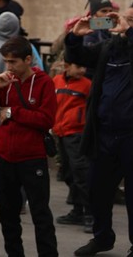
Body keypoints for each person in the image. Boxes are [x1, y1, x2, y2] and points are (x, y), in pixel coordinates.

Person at [0, 36, 57, 257]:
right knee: (8, 215)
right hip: (5, 157)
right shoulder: (5, 81)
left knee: (40, 214)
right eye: (6, 61)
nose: (9, 66)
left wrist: (13, 112)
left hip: (32, 158)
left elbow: (46, 119)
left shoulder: (44, 82)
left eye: (13, 61)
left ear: (28, 59)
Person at [53, 56, 92, 227]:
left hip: (77, 134)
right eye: (79, 66)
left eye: (84, 67)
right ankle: (78, 210)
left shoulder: (87, 85)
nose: (83, 70)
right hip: (61, 133)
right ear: (67, 66)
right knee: (68, 173)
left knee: (81, 172)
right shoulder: (56, 81)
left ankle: (90, 213)